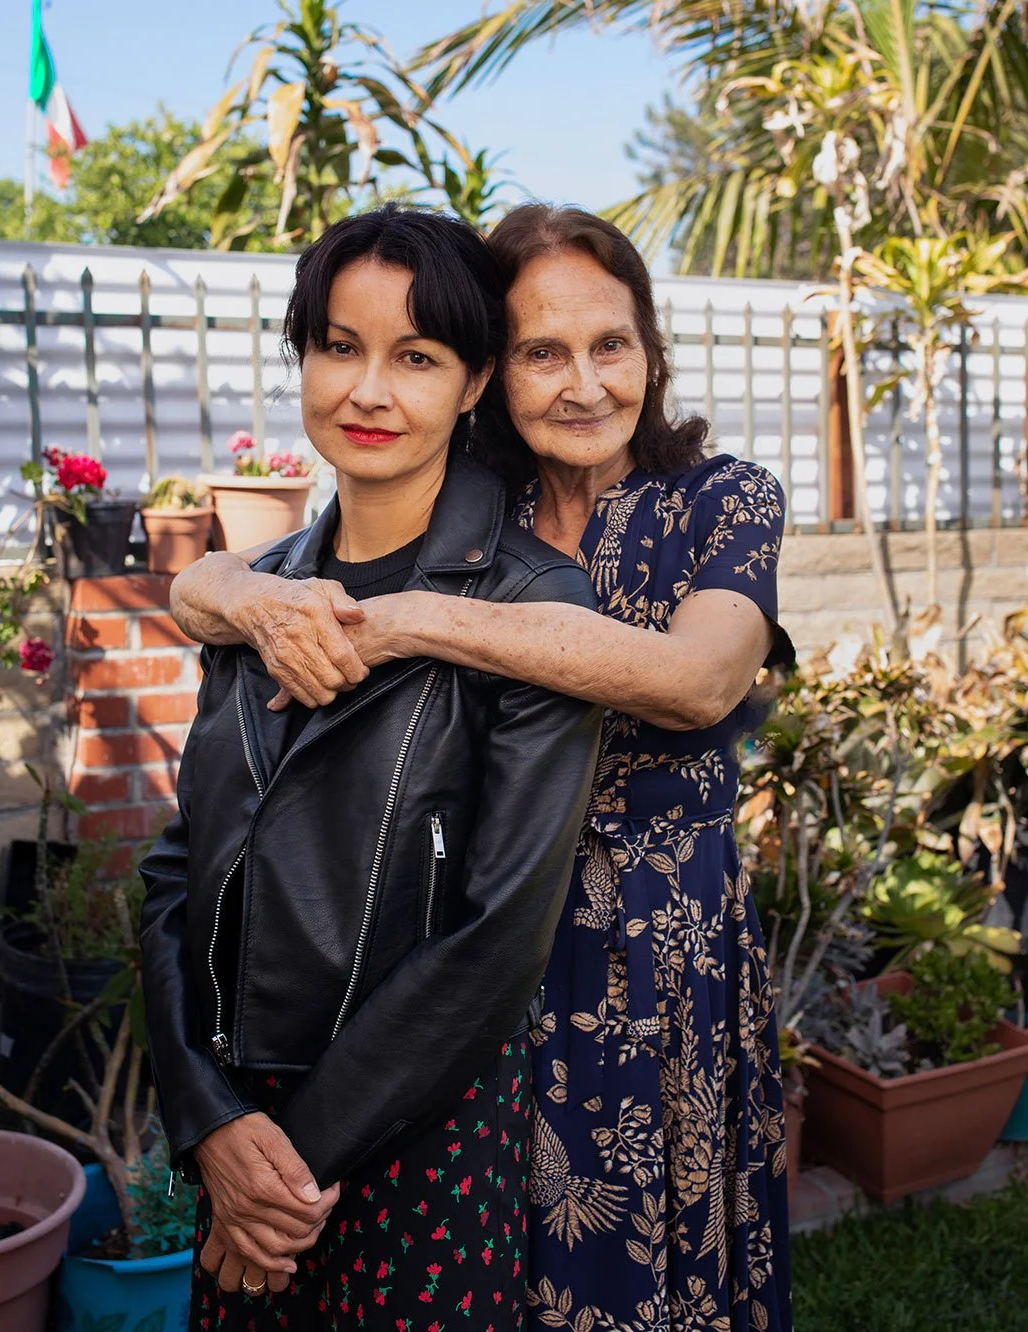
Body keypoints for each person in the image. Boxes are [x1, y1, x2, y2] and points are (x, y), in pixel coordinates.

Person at [171, 204, 795, 1331]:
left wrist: (410, 620)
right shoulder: (469, 505)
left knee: (645, 1253)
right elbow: (227, 581)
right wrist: (234, 591)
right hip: (455, 952)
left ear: (651, 350)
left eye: (611, 345)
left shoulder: (717, 499)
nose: (585, 383)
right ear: (489, 376)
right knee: (512, 1271)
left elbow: (699, 681)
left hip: (644, 946)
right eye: (539, 353)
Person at [139, 204, 603, 1332]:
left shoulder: (533, 606)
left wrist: (285, 1174)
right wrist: (208, 1120)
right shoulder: (263, 593)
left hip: (413, 1132)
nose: (368, 391)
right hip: (238, 1123)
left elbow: (495, 936)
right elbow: (175, 869)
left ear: (475, 380)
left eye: (418, 358)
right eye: (338, 347)